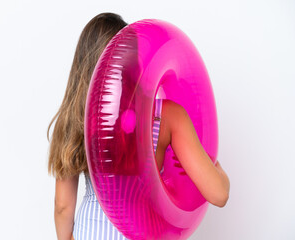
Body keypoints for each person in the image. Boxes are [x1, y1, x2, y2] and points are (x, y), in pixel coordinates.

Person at [47, 12, 230, 240]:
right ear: (133, 58)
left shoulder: (73, 119)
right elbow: (219, 194)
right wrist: (217, 169)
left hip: (89, 233)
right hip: (144, 233)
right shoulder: (168, 117)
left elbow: (63, 206)